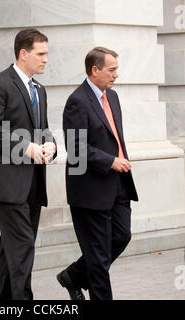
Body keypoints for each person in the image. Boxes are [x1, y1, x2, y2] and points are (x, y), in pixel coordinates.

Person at [0, 28, 56, 300]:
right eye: (41, 54)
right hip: (6, 184)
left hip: (33, 184)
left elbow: (43, 129)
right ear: (23, 54)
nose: (46, 59)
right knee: (22, 245)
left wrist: (51, 145)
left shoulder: (39, 90)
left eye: (47, 53)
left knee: (13, 248)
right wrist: (25, 147)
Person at [59, 47, 138, 300]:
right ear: (95, 70)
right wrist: (110, 161)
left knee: (121, 235)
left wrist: (120, 161)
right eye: (112, 69)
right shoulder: (77, 101)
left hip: (118, 186)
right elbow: (75, 148)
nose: (117, 74)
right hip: (90, 190)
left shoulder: (112, 97)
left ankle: (74, 274)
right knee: (99, 257)